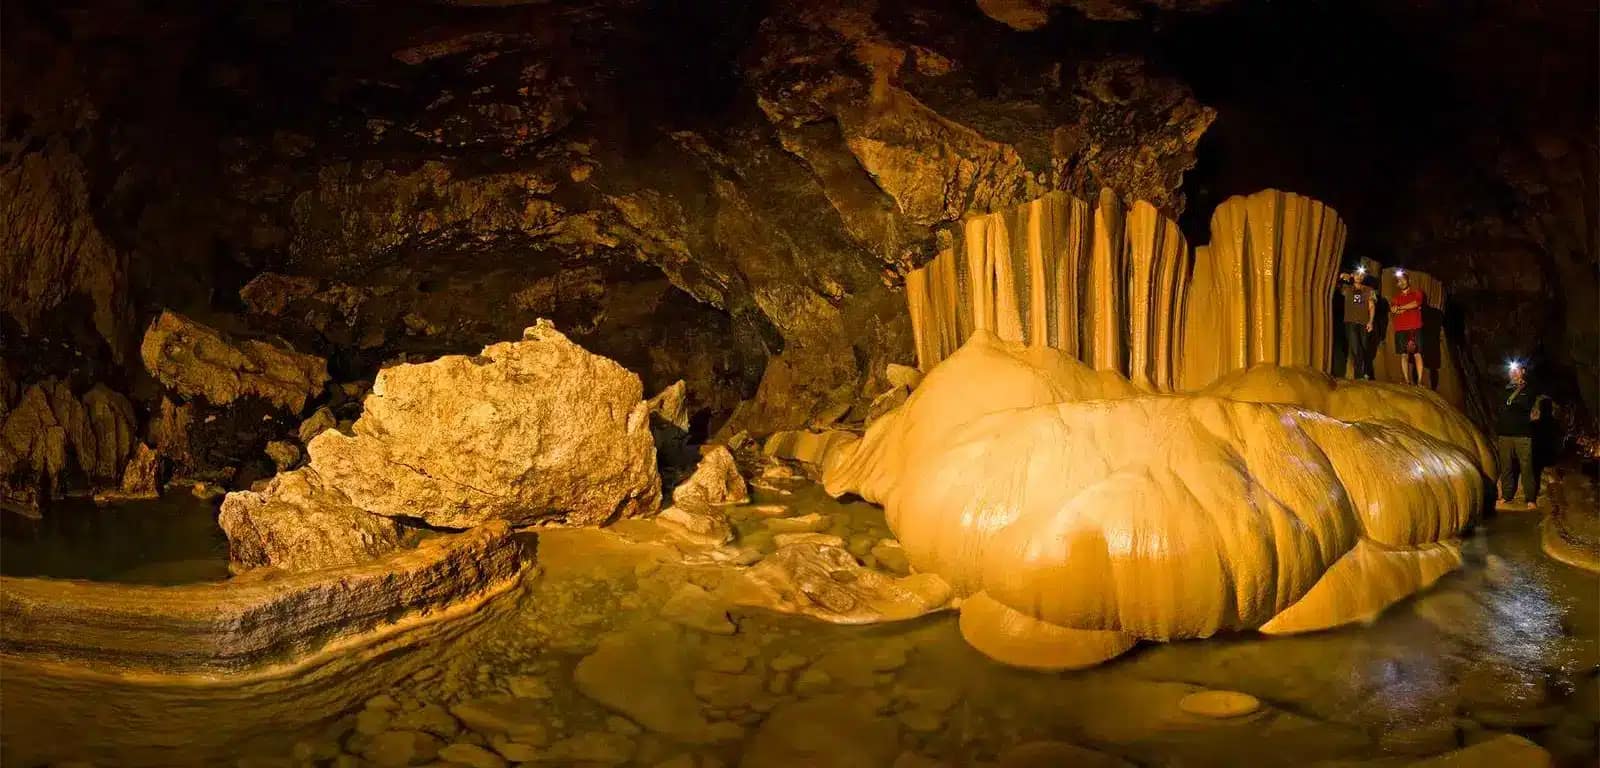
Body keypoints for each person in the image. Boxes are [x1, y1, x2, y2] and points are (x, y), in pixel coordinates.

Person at [1495, 363, 1550, 509]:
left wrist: (1520, 394)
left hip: (1523, 434)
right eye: (1511, 370)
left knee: (1526, 467)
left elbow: (1529, 406)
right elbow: (1500, 407)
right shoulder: (1503, 389)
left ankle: (1530, 499)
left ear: (1523, 372)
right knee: (1506, 467)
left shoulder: (1529, 390)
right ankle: (1506, 496)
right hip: (1504, 434)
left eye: (1517, 370)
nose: (1513, 373)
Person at [1337, 269, 1376, 379]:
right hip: (1350, 322)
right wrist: (1341, 276)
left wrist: (1370, 322)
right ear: (1352, 275)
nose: (1359, 277)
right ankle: (1361, 374)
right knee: (1355, 347)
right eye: (1357, 274)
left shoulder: (1369, 290)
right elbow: (1334, 285)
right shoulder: (1347, 288)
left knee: (1364, 347)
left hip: (1364, 322)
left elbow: (1372, 306)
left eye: (1361, 275)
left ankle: (1364, 373)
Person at [1388, 272, 1426, 385]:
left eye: (1403, 279)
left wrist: (1402, 308)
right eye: (1399, 281)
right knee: (1403, 354)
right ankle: (1406, 380)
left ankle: (1419, 381)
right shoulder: (1396, 298)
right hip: (1400, 328)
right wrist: (1402, 308)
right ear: (1397, 284)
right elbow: (1393, 309)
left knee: (1417, 353)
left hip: (1415, 327)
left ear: (1408, 280)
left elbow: (1416, 303)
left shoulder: (1417, 293)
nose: (1402, 282)